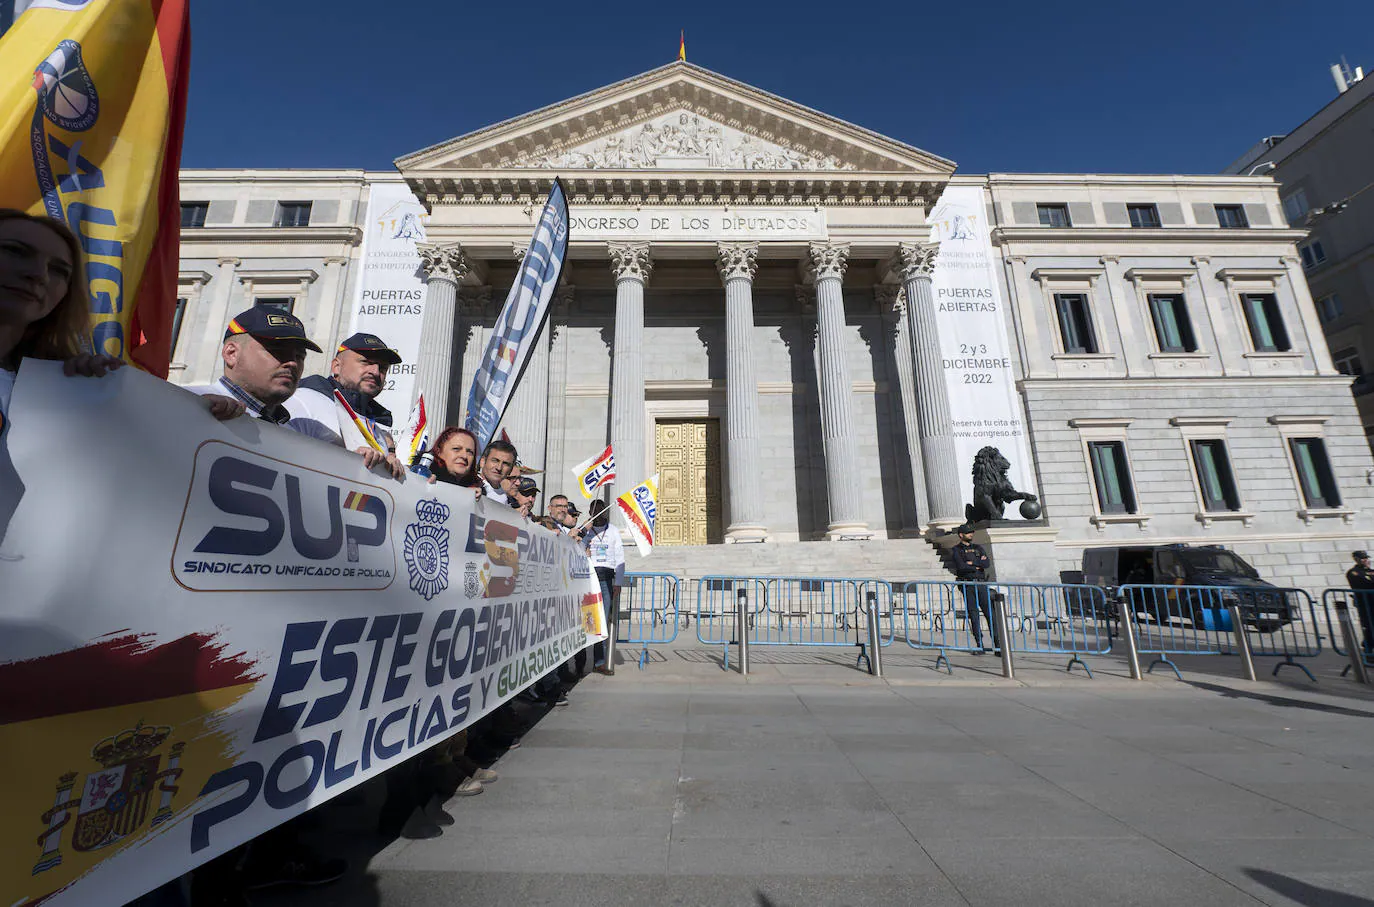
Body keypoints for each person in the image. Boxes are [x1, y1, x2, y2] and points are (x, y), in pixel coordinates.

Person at [286, 331, 405, 478]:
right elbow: (279, 454)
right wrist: (346, 462)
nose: (375, 372)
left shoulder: (377, 428)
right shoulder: (303, 399)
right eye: (366, 362)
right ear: (336, 366)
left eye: (382, 368)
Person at [581, 499, 625, 672]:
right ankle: (580, 662)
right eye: (594, 511)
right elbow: (575, 546)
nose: (598, 514)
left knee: (602, 620)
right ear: (591, 512)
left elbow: (620, 556)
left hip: (606, 578)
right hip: (588, 578)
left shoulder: (613, 531)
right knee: (586, 621)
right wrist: (584, 532)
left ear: (605, 512)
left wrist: (619, 582)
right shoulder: (585, 531)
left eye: (601, 510)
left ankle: (600, 662)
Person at [951, 524, 997, 654]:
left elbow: (986, 563)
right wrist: (976, 565)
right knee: (974, 615)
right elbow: (961, 566)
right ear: (961, 535)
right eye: (968, 533)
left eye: (971, 532)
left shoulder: (978, 548)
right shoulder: (956, 549)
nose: (971, 534)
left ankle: (998, 645)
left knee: (990, 614)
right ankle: (979, 644)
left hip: (981, 584)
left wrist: (972, 563)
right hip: (968, 585)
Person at [1346, 550, 1374, 655]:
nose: (1366, 560)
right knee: (1369, 626)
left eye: (1366, 558)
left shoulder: (1371, 571)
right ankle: (1368, 650)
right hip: (1365, 603)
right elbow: (1364, 584)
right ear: (1356, 559)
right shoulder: (1354, 572)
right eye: (1363, 558)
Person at [477, 438, 518, 504]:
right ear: (482, 462)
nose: (499, 468)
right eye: (495, 460)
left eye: (505, 464)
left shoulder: (511, 501)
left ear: (510, 470)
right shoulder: (468, 486)